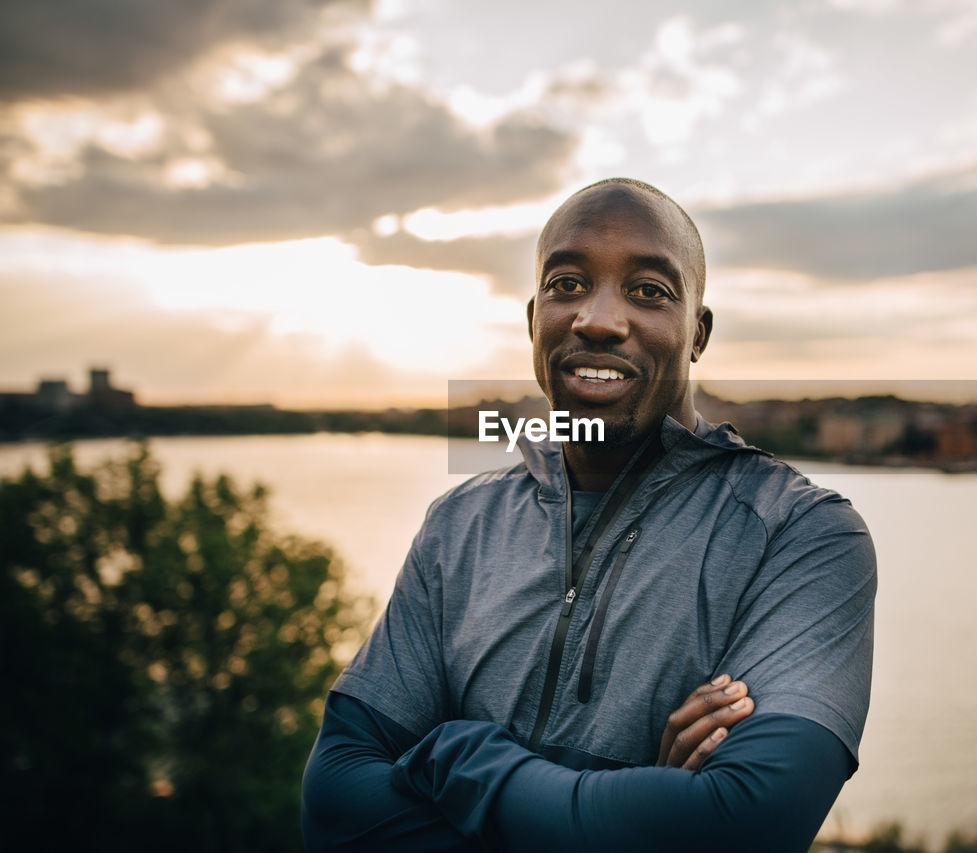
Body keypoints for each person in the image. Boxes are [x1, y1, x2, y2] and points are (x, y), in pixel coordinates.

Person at [300, 178, 876, 852]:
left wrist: (459, 754)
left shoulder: (801, 535)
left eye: (649, 291)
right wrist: (635, 808)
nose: (598, 320)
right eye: (567, 284)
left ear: (698, 333)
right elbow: (335, 804)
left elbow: (744, 823)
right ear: (532, 319)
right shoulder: (460, 524)